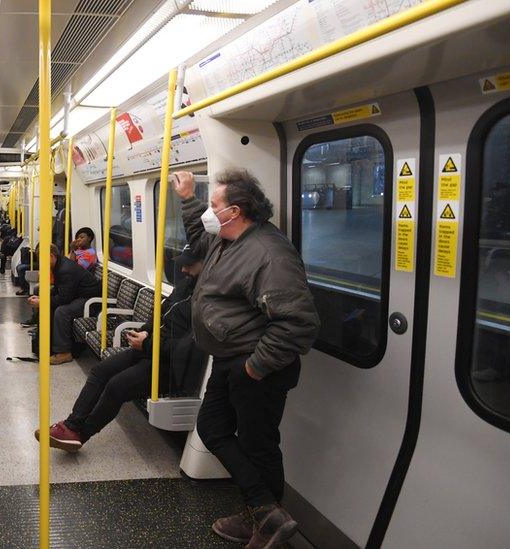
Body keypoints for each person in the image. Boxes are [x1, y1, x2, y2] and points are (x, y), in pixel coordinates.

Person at [173, 169, 320, 548]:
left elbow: (298, 323)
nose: (209, 212)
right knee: (214, 428)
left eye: (213, 205)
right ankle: (264, 511)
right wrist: (188, 199)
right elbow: (198, 234)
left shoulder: (268, 255)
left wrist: (254, 366)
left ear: (234, 211)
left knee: (259, 445)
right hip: (229, 359)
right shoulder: (226, 239)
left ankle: (266, 522)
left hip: (257, 366)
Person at [37, 236, 208, 450]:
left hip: (171, 364)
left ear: (208, 263)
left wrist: (146, 344)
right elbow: (160, 315)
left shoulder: (208, 302)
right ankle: (72, 425)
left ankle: (82, 434)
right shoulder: (185, 286)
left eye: (190, 264)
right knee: (100, 371)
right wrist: (143, 332)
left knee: (116, 386)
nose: (183, 269)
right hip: (150, 347)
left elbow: (187, 349)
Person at [27, 244, 102, 365]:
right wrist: (43, 298)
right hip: (78, 295)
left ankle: (64, 353)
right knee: (51, 303)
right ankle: (50, 345)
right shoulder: (59, 264)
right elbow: (60, 289)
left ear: (51, 256)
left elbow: (63, 299)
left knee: (62, 311)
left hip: (91, 300)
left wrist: (43, 302)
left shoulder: (64, 269)